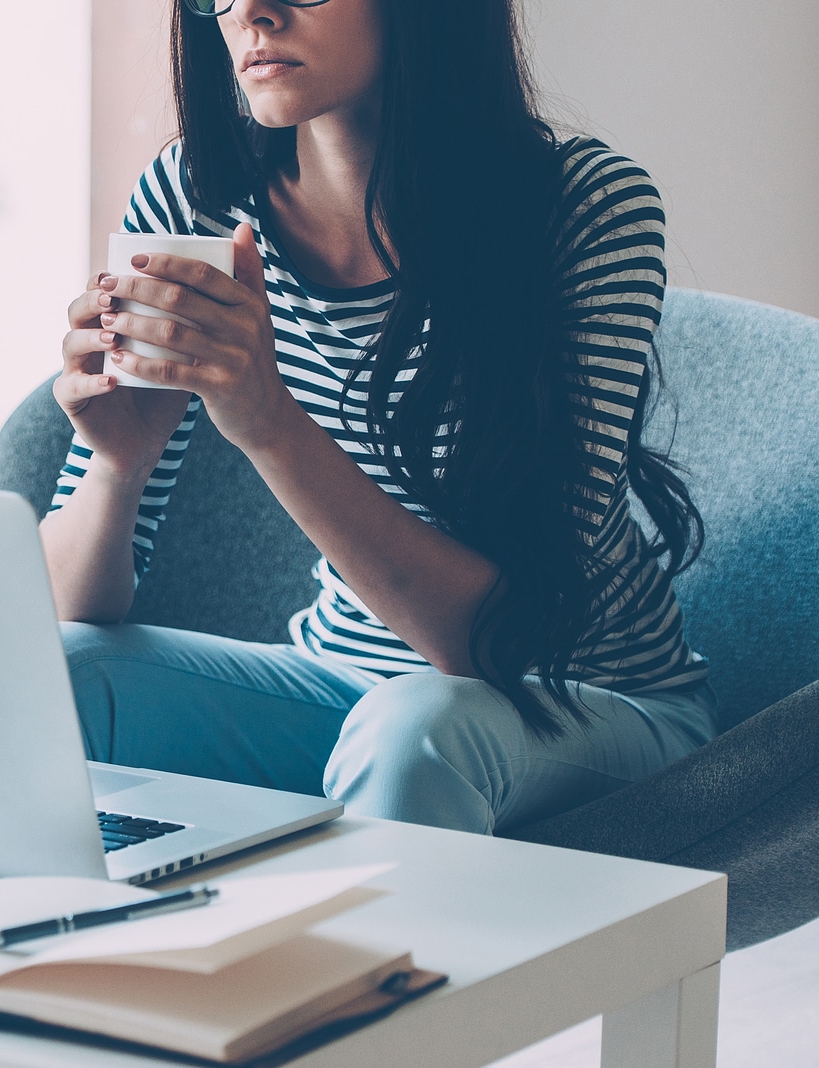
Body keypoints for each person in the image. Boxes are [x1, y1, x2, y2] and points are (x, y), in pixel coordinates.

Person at [41, 0, 716, 835]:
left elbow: (503, 645)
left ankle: (368, 971)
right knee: (56, 676)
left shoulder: (582, 208)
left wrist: (268, 422)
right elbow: (65, 608)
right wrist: (117, 464)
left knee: (415, 734)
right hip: (347, 686)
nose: (251, 10)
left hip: (580, 701)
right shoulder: (196, 197)